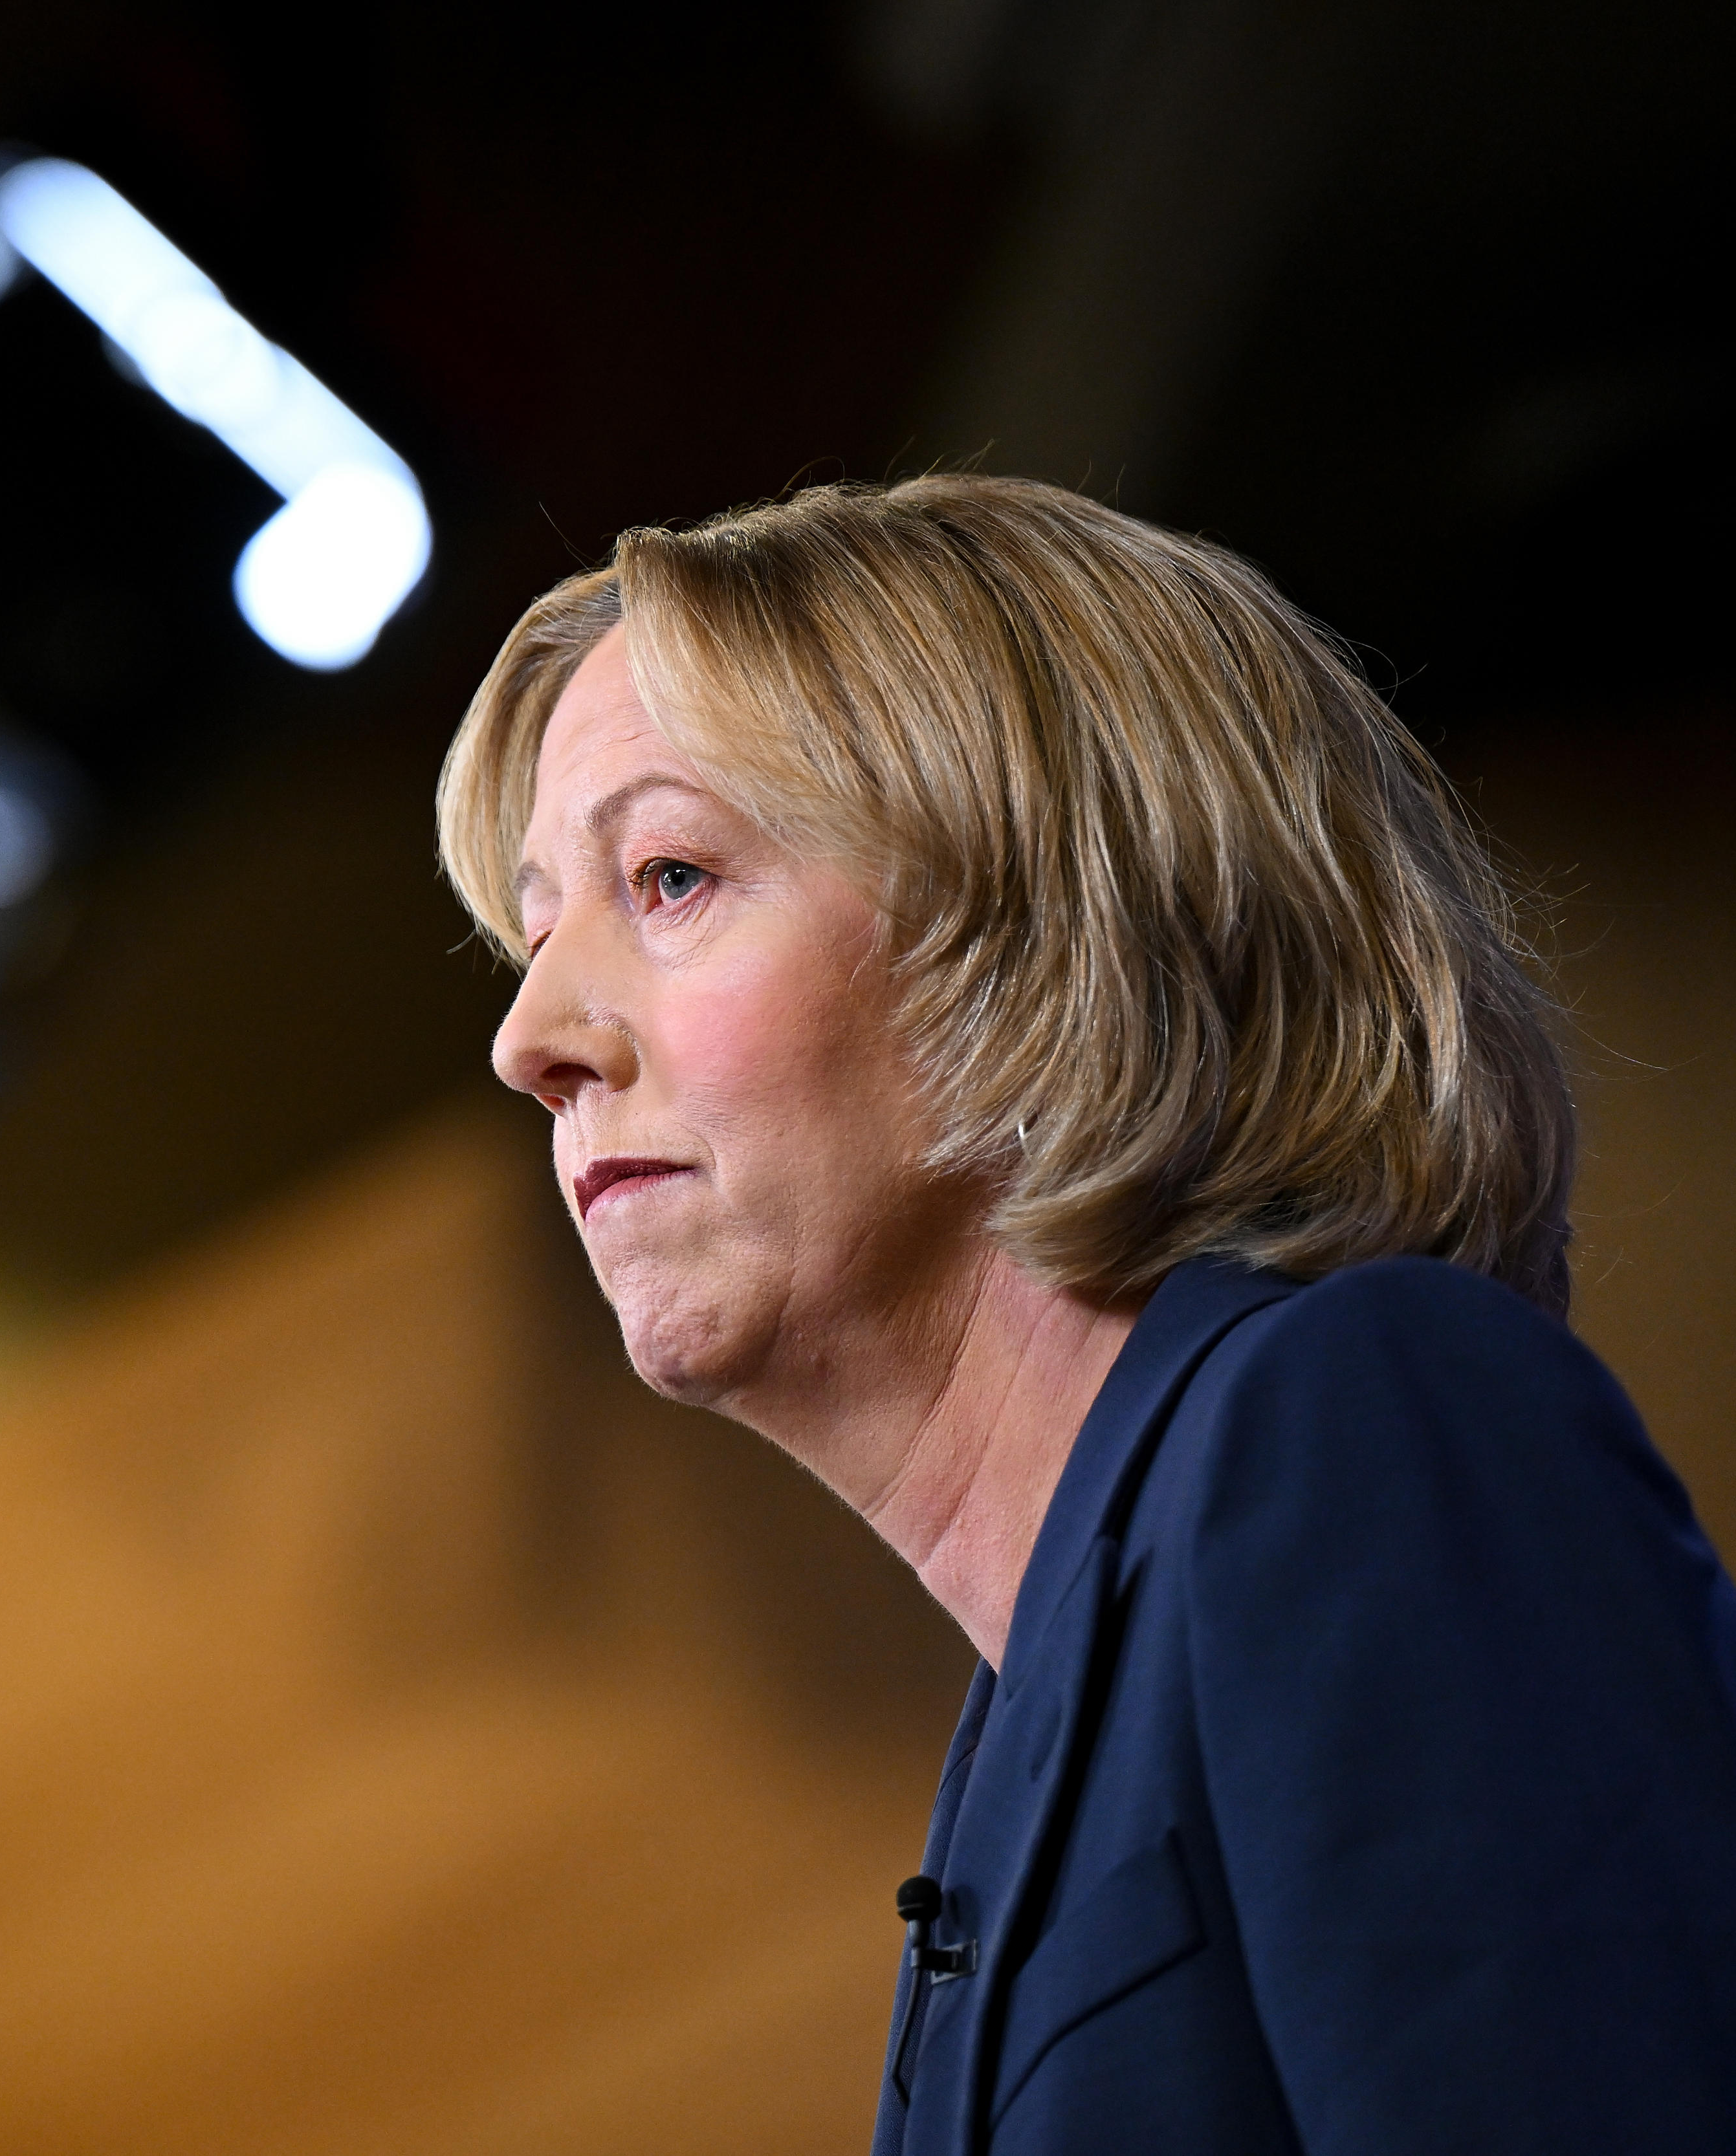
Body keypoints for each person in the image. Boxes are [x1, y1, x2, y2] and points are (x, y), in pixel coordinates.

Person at [437, 474, 1736, 2153]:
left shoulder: (1354, 1420)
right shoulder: (1019, 1750)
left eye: (670, 876)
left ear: (1043, 922)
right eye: (539, 933)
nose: (528, 1040)